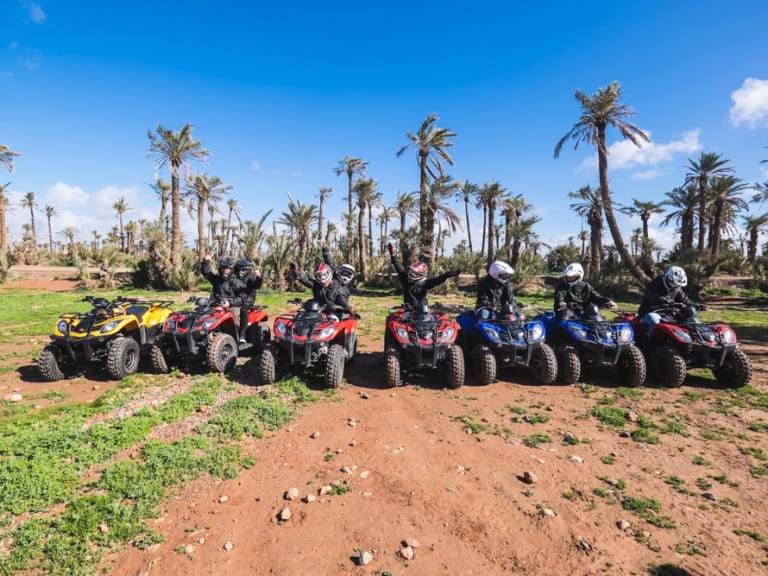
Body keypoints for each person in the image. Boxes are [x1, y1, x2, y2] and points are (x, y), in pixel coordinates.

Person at [387, 242, 459, 310]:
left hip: (423, 311)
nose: (412, 275)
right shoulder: (405, 280)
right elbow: (398, 266)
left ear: (421, 274)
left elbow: (437, 280)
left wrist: (447, 275)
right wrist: (393, 254)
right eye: (411, 272)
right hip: (408, 311)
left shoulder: (424, 283)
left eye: (415, 273)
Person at [638, 265, 694, 334]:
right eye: (673, 284)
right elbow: (655, 297)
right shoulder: (654, 284)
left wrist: (692, 306)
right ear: (668, 279)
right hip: (650, 311)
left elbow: (685, 300)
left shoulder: (677, 289)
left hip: (668, 313)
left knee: (686, 321)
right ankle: (649, 343)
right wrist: (669, 302)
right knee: (654, 321)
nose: (675, 286)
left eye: (677, 285)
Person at [200, 254, 245, 326]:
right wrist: (206, 262)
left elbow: (242, 298)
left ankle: (237, 335)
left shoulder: (236, 281)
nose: (224, 270)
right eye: (222, 268)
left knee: (234, 316)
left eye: (226, 268)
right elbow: (206, 273)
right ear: (219, 269)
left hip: (232, 306)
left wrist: (229, 303)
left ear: (230, 269)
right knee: (202, 315)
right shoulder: (216, 279)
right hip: (216, 304)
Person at [233, 259, 263, 343]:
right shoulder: (233, 277)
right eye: (238, 269)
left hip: (247, 301)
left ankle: (242, 333)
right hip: (235, 300)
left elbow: (256, 284)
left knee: (243, 310)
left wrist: (259, 278)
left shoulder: (250, 278)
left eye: (243, 270)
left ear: (247, 270)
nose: (240, 272)